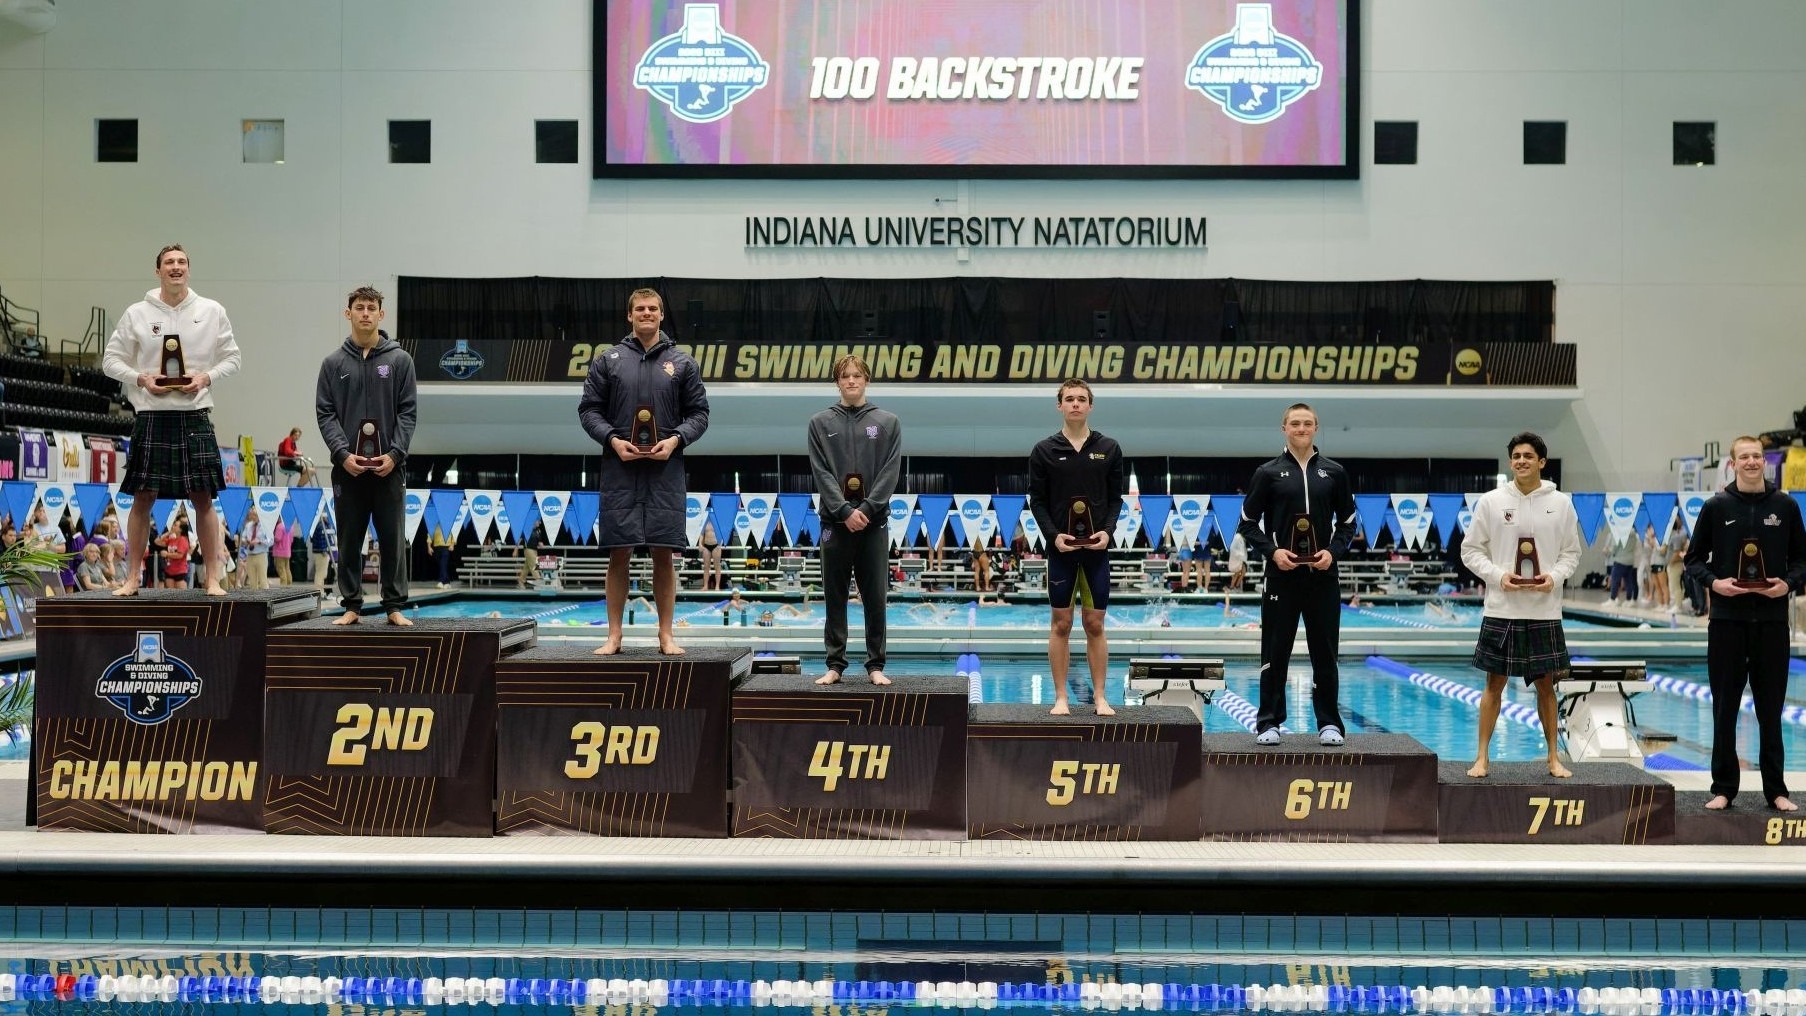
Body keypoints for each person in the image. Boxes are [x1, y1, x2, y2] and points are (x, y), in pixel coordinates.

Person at [99, 245, 239, 596]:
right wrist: (140, 379)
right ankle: (132, 578)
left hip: (195, 415)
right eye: (168, 263)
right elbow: (110, 361)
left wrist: (206, 377)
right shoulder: (137, 313)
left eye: (181, 262)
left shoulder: (211, 310)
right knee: (142, 497)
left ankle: (212, 578)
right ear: (158, 270)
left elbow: (233, 358)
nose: (176, 267)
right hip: (151, 415)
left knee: (203, 497)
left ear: (188, 269)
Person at [577, 287, 710, 656]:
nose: (647, 313)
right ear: (629, 315)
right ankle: (614, 636)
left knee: (664, 553)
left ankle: (666, 635)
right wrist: (613, 440)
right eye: (640, 308)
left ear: (662, 315)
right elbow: (589, 410)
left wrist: (676, 440)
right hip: (620, 468)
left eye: (653, 308)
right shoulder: (608, 360)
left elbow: (700, 414)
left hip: (666, 470)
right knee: (618, 552)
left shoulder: (682, 362)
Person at [1684, 435, 1806, 812]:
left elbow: (1802, 560)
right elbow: (1693, 560)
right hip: (1727, 622)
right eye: (1744, 457)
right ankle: (1723, 788)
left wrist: (1787, 584)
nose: (1752, 462)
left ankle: (1776, 790)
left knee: (1771, 711)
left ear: (1764, 462)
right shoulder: (1716, 506)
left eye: (1757, 456)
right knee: (1725, 709)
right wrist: (1715, 583)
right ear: (1733, 463)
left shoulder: (1785, 506)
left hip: (1771, 623)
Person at [1459, 432, 1583, 779]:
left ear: (1542, 462)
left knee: (1546, 688)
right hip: (1502, 609)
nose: (1521, 461)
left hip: (1544, 610)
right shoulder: (1492, 502)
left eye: (1528, 456)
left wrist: (1554, 577)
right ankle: (1482, 757)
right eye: (1516, 456)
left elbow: (1572, 553)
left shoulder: (1561, 503)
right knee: (1493, 686)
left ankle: (1553, 758)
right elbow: (1470, 550)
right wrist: (1498, 576)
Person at [1238, 402, 1358, 746]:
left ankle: (1329, 723)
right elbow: (1247, 523)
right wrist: (1273, 552)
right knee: (1275, 652)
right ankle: (1269, 722)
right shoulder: (1267, 473)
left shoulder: (1334, 472)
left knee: (1326, 653)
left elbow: (1348, 523)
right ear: (1284, 429)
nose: (1301, 429)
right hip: (1282, 577)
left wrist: (1332, 553)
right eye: (1295, 424)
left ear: (1316, 427)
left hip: (1323, 576)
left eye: (1307, 423)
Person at [316, 285, 417, 626]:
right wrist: (342, 454)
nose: (365, 313)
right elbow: (325, 413)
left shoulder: (400, 361)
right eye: (359, 307)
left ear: (381, 314)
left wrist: (396, 454)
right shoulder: (333, 364)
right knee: (349, 538)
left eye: (371, 308)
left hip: (390, 467)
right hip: (348, 469)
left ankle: (394, 607)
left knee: (392, 538)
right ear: (348, 313)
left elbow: (407, 412)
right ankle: (351, 605)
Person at [1027, 378, 1123, 717]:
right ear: (1060, 405)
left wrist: (1108, 532)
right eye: (1069, 399)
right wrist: (1053, 536)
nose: (1076, 404)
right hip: (1061, 551)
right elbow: (1037, 501)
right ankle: (1061, 698)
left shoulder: (1109, 448)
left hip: (1097, 550)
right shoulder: (1044, 450)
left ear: (1090, 405)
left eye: (1082, 399)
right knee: (1061, 623)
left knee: (1095, 623)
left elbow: (1116, 499)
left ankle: (1100, 697)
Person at [806, 354, 902, 687]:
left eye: (857, 375)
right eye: (845, 376)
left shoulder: (888, 422)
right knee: (834, 596)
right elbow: (821, 472)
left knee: (875, 597)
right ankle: (835, 664)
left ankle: (876, 665)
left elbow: (891, 471)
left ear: (866, 380)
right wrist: (844, 511)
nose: (851, 380)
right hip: (835, 524)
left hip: (873, 524)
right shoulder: (820, 423)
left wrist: (869, 508)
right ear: (837, 382)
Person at [238, 506, 271, 590]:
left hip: (261, 555)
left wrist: (259, 541)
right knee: (252, 581)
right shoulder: (248, 525)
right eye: (251, 515)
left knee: (263, 580)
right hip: (250, 555)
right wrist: (245, 541)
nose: (252, 517)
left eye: (254, 515)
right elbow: (243, 537)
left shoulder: (266, 526)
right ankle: (254, 597)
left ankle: (265, 596)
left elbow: (271, 541)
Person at [157, 518, 192, 590]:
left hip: (180, 571)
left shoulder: (183, 540)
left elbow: (180, 555)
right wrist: (168, 533)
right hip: (169, 570)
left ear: (180, 529)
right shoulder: (172, 539)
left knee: (181, 594)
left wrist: (167, 554)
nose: (173, 526)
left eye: (175, 525)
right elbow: (157, 541)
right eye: (173, 525)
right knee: (171, 593)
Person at [309, 516, 334, 591]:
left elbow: (312, 539)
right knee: (321, 574)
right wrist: (323, 550)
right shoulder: (321, 526)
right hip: (322, 553)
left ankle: (320, 591)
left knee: (321, 573)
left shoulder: (318, 525)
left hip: (319, 552)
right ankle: (318, 591)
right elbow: (321, 539)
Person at [428, 521, 454, 589]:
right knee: (442, 565)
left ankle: (441, 581)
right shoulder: (434, 524)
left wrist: (452, 544)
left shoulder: (449, 523)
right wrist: (429, 547)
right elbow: (430, 535)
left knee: (443, 563)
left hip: (446, 547)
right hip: (437, 547)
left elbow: (454, 534)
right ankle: (447, 582)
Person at [698, 520, 723, 591]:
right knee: (706, 567)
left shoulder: (717, 520)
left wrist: (720, 544)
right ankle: (705, 586)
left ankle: (717, 586)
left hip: (716, 545)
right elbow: (702, 534)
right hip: (706, 546)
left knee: (717, 566)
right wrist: (700, 544)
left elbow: (722, 533)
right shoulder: (704, 521)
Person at [271, 515, 294, 585]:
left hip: (279, 552)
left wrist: (271, 537)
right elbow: (292, 540)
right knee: (287, 569)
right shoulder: (291, 526)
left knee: (281, 569)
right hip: (287, 551)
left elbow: (278, 538)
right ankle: (289, 584)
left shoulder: (279, 526)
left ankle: (283, 586)